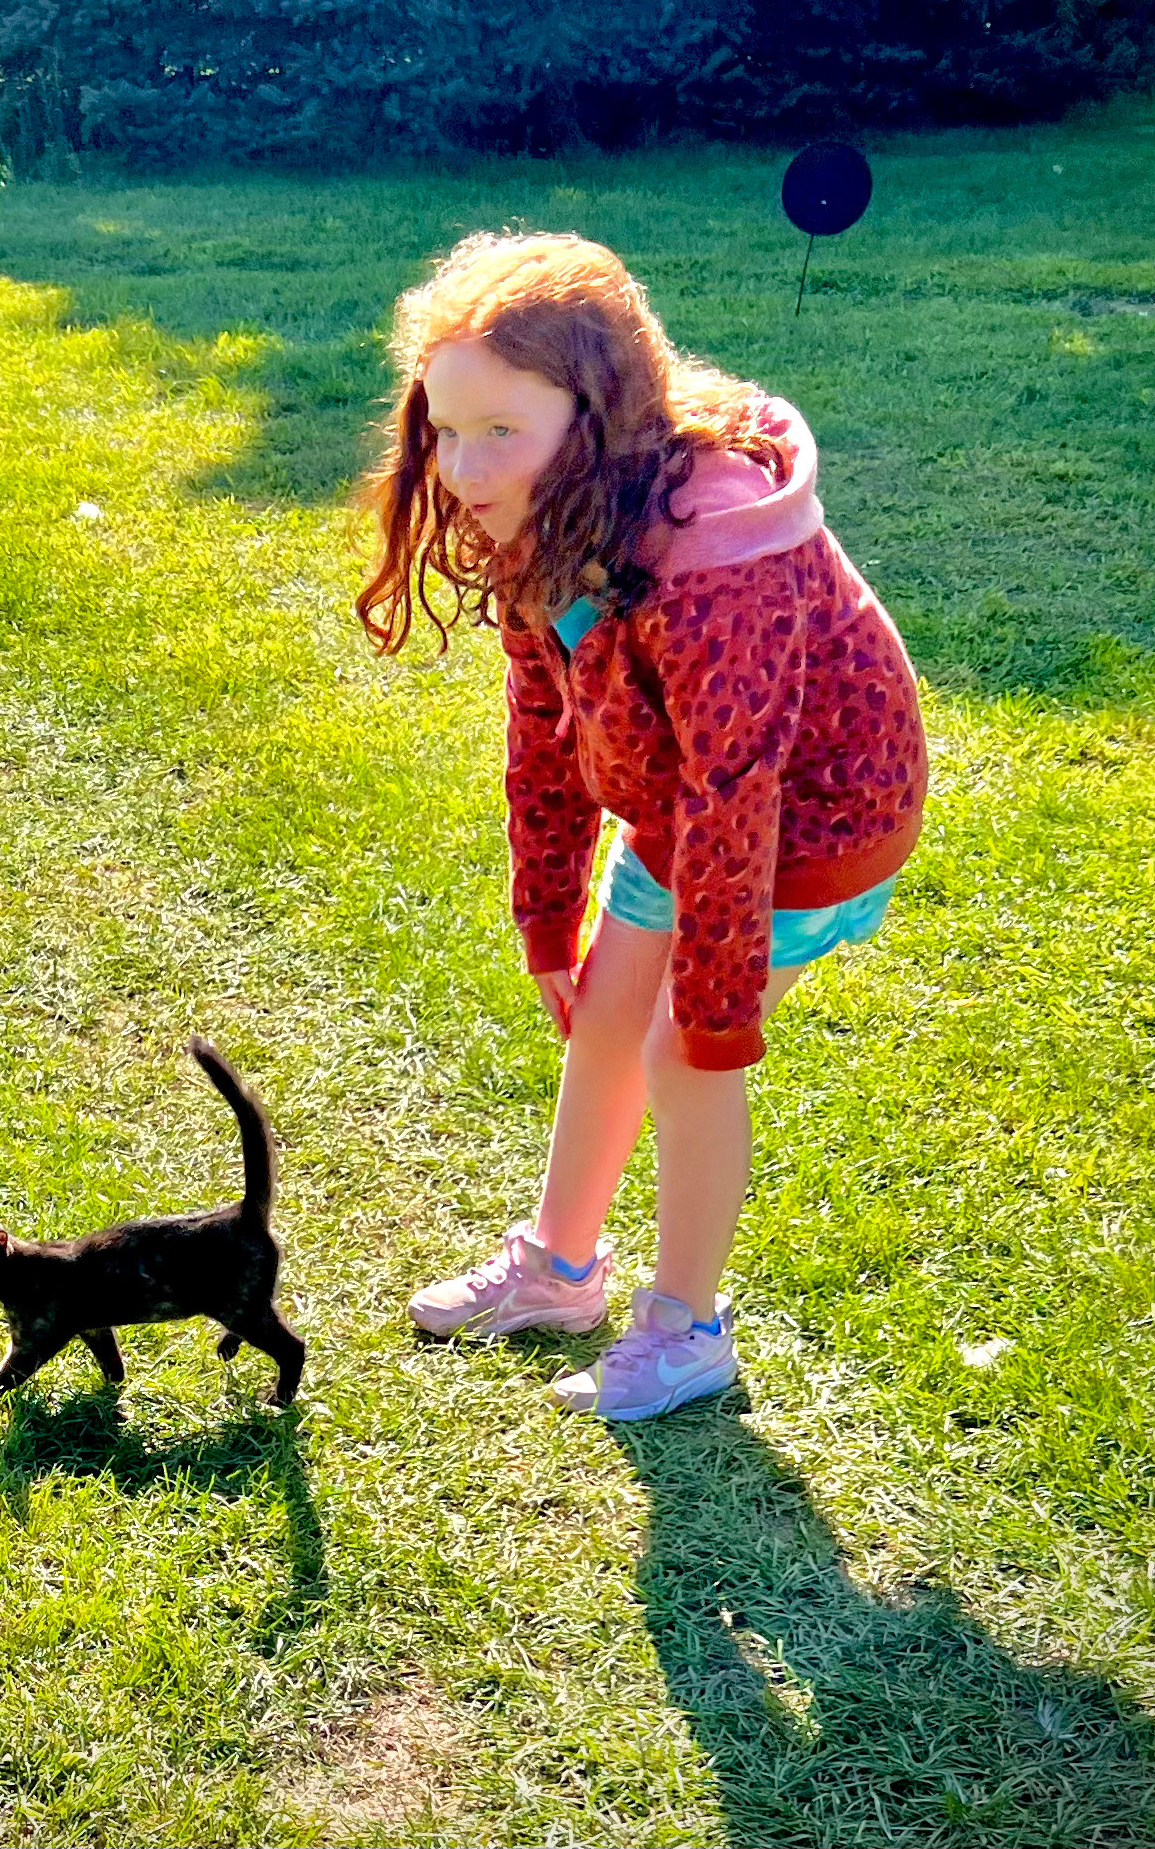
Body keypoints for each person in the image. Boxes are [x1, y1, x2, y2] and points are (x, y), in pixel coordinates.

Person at [355, 231, 926, 1422]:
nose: (460, 467)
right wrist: (545, 918)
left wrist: (714, 1013)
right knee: (605, 1018)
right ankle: (559, 1272)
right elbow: (543, 722)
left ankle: (685, 1329)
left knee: (678, 1050)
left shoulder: (716, 551)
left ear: (596, 412)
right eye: (442, 429)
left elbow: (738, 789)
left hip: (813, 821)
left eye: (498, 430)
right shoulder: (539, 510)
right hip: (680, 807)